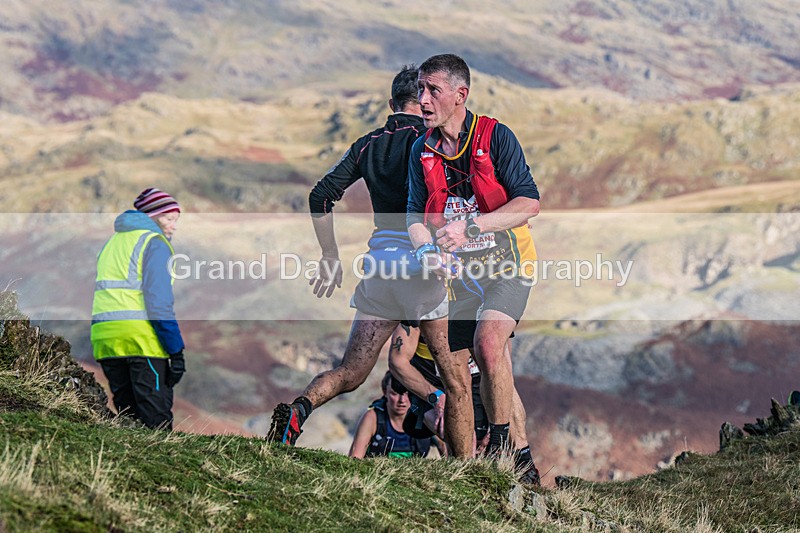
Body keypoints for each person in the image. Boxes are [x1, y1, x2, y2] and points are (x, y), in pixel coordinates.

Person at [268, 66, 462, 449]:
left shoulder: (367, 144)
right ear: (424, 100)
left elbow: (319, 197)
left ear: (391, 104)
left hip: (381, 270)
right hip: (423, 267)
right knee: (454, 382)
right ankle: (465, 474)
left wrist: (330, 255)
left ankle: (298, 412)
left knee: (350, 371)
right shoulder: (432, 139)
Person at [407, 54, 540, 458]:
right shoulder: (420, 150)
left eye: (433, 90)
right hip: (458, 276)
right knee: (456, 376)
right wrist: (427, 250)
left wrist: (472, 227)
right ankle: (472, 467)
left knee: (489, 345)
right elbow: (413, 214)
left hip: (508, 263)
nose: (423, 99)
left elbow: (529, 203)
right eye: (420, 90)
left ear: (460, 95)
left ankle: (502, 446)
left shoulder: (497, 137)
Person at [388, 324, 540, 484]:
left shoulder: (481, 306)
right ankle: (464, 477)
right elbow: (397, 362)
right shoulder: (423, 306)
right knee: (462, 442)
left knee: (500, 402)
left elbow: (503, 371)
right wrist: (436, 397)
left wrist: (497, 421)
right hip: (432, 387)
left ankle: (525, 465)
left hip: (477, 383)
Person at [90, 188, 186, 430]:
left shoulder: (111, 243)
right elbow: (159, 302)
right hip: (141, 341)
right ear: (151, 216)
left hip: (106, 340)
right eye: (168, 218)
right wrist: (175, 351)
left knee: (129, 421)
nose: (173, 226)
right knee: (156, 425)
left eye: (176, 220)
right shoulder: (155, 243)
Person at [349, 371, 433, 459]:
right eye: (395, 393)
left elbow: (446, 452)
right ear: (385, 392)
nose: (402, 400)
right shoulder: (372, 418)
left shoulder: (426, 416)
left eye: (408, 393)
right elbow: (354, 458)